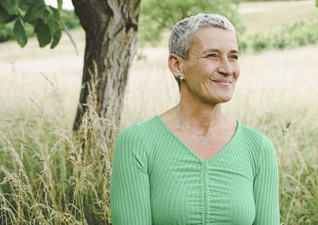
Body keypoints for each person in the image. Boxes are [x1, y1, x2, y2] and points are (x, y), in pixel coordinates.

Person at [110, 13, 280, 224]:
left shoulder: (258, 148)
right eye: (212, 56)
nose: (228, 69)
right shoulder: (138, 142)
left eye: (233, 56)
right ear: (177, 66)